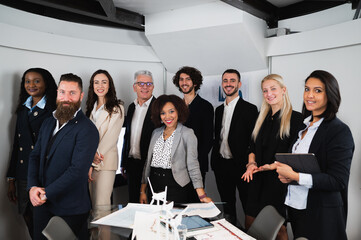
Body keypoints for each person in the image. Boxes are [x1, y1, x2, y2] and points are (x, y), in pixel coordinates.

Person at [275, 70, 354, 239]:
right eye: (306, 89)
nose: (309, 95)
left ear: (330, 95)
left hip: (322, 214)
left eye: (318, 90)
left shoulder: (339, 131)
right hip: (296, 208)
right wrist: (289, 176)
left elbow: (338, 181)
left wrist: (295, 176)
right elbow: (301, 165)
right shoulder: (302, 126)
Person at [27, 73, 99, 240]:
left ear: (81, 96)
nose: (66, 98)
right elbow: (35, 156)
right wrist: (32, 187)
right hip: (42, 205)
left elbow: (77, 172)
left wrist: (45, 193)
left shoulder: (87, 130)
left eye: (72, 93)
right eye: (62, 92)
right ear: (57, 93)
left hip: (70, 210)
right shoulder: (48, 122)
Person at [241, 74, 303, 239]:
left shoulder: (297, 119)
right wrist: (251, 164)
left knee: (279, 229)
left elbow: (295, 155)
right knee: (250, 224)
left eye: (273, 89)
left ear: (283, 90)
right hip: (257, 178)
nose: (269, 94)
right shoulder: (261, 118)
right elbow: (251, 147)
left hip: (278, 181)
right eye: (265, 91)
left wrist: (273, 166)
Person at [6, 68, 57, 238]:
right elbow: (17, 145)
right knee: (28, 216)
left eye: (37, 81)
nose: (31, 85)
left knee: (43, 220)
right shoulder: (22, 110)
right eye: (27, 81)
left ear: (46, 83)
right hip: (22, 174)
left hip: (43, 174)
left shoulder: (53, 111)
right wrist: (11, 178)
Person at [140, 95, 212, 204]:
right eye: (163, 113)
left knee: (174, 219)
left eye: (171, 111)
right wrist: (143, 191)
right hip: (153, 186)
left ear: (179, 111)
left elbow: (193, 165)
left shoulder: (187, 133)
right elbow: (147, 164)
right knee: (155, 219)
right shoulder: (156, 133)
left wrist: (202, 195)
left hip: (176, 186)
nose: (167, 116)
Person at [211, 69, 258, 225]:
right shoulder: (218, 110)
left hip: (242, 166)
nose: (228, 84)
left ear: (239, 84)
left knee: (248, 206)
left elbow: (253, 140)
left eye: (232, 80)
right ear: (222, 84)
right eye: (225, 81)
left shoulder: (250, 109)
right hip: (222, 165)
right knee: (227, 207)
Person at [86, 70, 124, 212]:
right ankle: (95, 235)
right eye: (96, 82)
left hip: (105, 162)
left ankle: (105, 235)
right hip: (90, 162)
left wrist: (92, 159)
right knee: (92, 205)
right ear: (92, 86)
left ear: (109, 85)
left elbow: (111, 137)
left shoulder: (117, 107)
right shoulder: (91, 108)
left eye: (104, 82)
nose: (100, 85)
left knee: (102, 206)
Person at [172, 66, 214, 184]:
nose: (184, 82)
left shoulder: (206, 107)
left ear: (195, 82)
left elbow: (208, 140)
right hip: (176, 164)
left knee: (195, 200)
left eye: (188, 79)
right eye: (181, 79)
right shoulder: (174, 106)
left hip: (196, 163)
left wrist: (193, 161)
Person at [121, 70, 156, 203]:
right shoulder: (131, 107)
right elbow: (127, 136)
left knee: (151, 204)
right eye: (141, 83)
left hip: (151, 165)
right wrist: (124, 162)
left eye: (148, 84)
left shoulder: (159, 107)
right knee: (134, 203)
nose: (145, 87)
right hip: (132, 165)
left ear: (153, 86)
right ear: (134, 87)